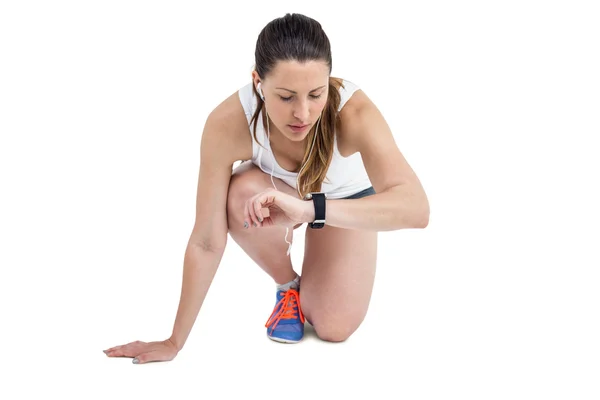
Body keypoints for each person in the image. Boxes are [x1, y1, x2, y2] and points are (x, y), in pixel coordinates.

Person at [103, 13, 429, 364]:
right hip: (273, 194)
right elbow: (206, 239)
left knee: (335, 327)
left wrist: (311, 210)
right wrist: (174, 341)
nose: (302, 113)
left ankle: (318, 281)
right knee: (240, 193)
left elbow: (416, 209)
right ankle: (288, 287)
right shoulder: (228, 122)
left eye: (316, 94)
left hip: (341, 204)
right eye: (286, 97)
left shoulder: (355, 114)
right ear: (258, 81)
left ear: (329, 81)